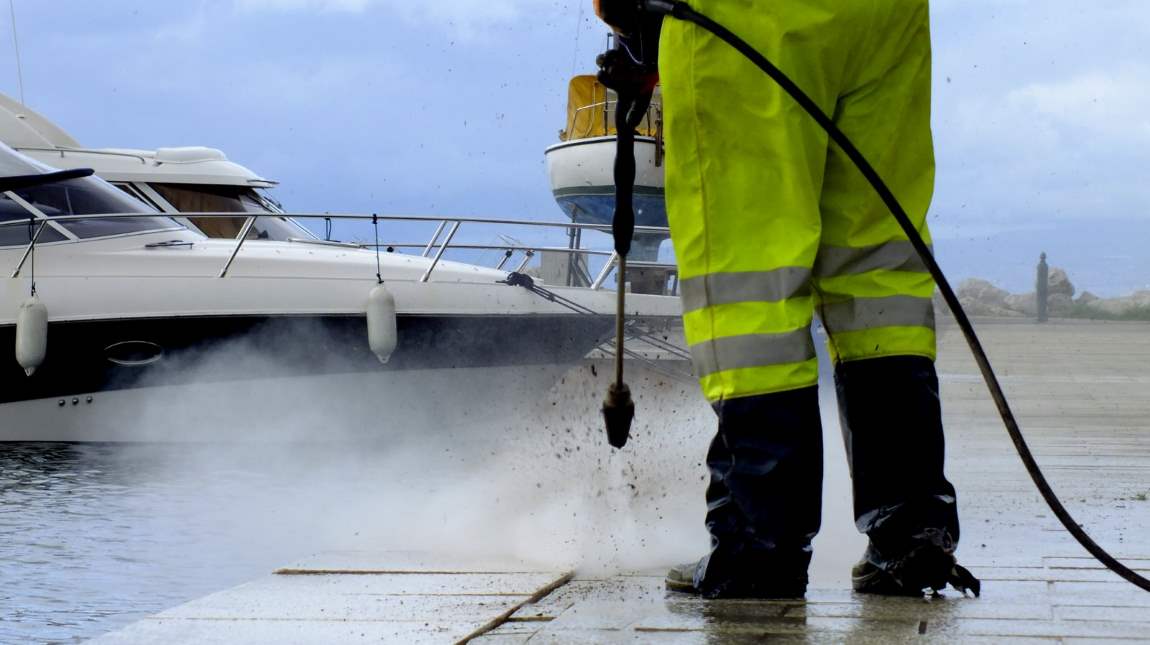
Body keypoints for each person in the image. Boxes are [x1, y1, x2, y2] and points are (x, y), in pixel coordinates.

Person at [594, 0, 977, 599]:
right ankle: (910, 531)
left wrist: (636, 32)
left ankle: (760, 544)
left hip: (748, 16)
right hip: (887, 19)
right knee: (877, 274)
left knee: (752, 283)